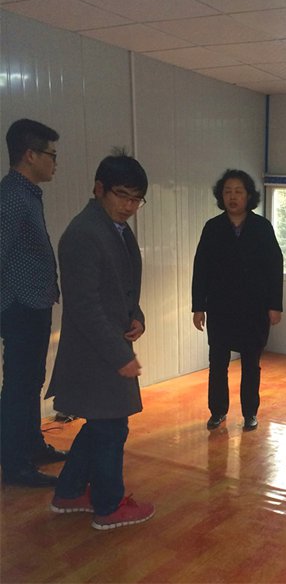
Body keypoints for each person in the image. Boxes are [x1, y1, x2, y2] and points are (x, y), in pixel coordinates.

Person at [45, 149, 154, 530]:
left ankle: (70, 492)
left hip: (109, 343)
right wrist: (119, 355)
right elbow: (84, 306)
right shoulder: (84, 234)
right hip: (95, 351)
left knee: (102, 426)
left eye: (136, 199)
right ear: (98, 188)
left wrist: (136, 316)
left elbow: (122, 287)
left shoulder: (115, 228)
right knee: (110, 428)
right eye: (121, 195)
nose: (129, 206)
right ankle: (108, 507)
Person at [0, 118, 68, 488]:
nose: (55, 162)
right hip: (20, 305)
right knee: (19, 385)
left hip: (33, 303)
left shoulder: (26, 193)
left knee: (30, 382)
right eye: (51, 155)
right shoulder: (12, 195)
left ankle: (31, 447)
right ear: (30, 155)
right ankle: (15, 464)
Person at [192, 169, 284, 432]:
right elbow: (201, 268)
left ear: (248, 196)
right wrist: (198, 306)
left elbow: (275, 267)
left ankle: (250, 413)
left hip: (254, 308)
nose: (232, 197)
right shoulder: (212, 228)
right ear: (221, 196)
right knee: (217, 363)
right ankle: (218, 411)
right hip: (220, 308)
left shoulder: (262, 228)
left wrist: (275, 305)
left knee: (251, 364)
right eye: (227, 192)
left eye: (238, 192)